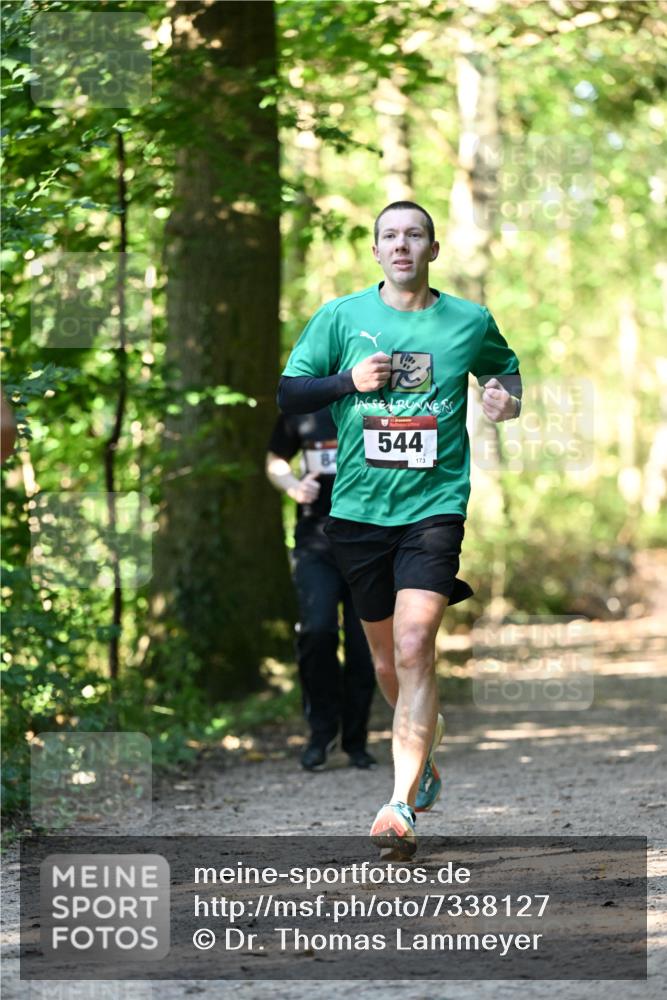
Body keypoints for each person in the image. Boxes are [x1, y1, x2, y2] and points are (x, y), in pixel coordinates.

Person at [277, 201, 522, 859]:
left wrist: (505, 401)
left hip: (434, 507)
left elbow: (505, 373)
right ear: (377, 250)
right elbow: (289, 394)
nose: (402, 245)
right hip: (358, 512)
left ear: (432, 250)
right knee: (386, 660)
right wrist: (346, 380)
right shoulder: (341, 317)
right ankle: (425, 754)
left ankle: (399, 804)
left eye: (414, 235)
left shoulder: (468, 320)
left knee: (416, 645)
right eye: (390, 235)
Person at [266, 407, 377, 771]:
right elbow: (275, 460)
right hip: (316, 541)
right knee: (317, 630)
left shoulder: (377, 402)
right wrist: (293, 486)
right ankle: (321, 733)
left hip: (371, 542)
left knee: (364, 646)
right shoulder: (302, 406)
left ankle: (356, 740)